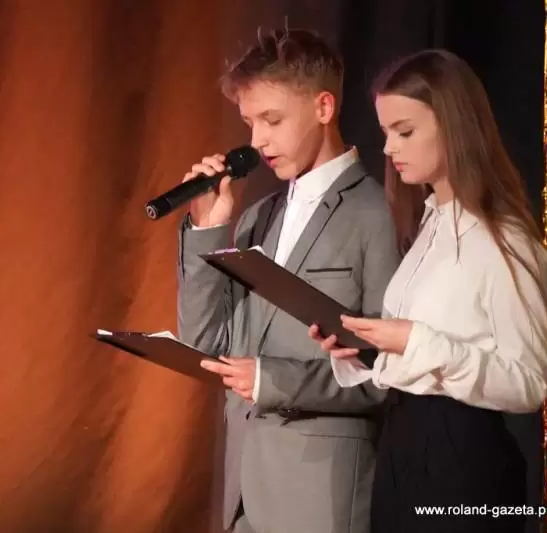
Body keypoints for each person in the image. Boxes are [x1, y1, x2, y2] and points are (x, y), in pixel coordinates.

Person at [309, 49, 547, 533]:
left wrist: (416, 341)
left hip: (462, 462)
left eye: (404, 131)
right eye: (385, 132)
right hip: (402, 448)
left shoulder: (504, 242)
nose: (388, 148)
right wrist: (363, 350)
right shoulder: (428, 225)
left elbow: (528, 384)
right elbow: (419, 359)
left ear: (454, 126)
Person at [176, 28, 400, 533]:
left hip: (318, 495)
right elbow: (205, 345)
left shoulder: (378, 214)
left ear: (323, 107)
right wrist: (208, 229)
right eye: (250, 123)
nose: (257, 140)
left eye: (271, 120)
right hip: (241, 496)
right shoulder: (257, 217)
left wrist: (270, 380)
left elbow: (386, 375)